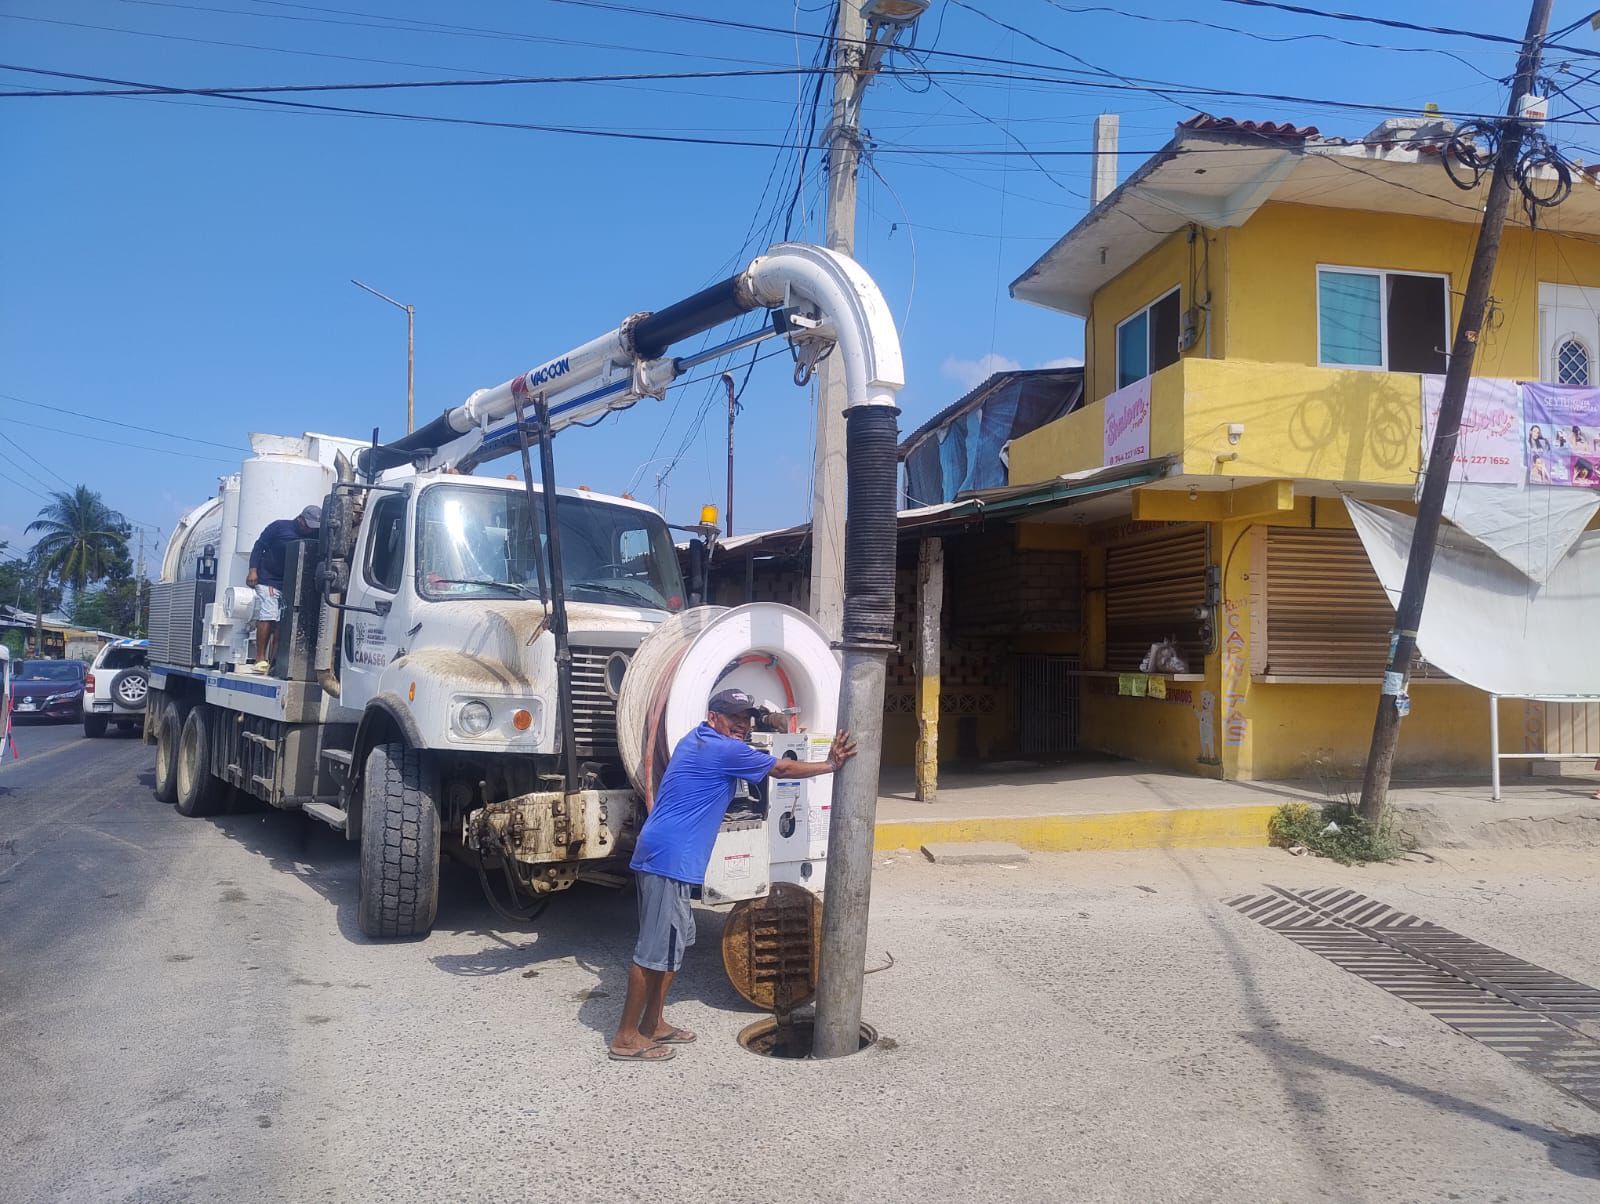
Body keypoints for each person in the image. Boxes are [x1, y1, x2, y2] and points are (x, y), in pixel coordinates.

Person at [609, 688, 856, 1062]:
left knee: (674, 946)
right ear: (713, 717)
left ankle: (654, 1023)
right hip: (667, 859)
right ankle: (626, 1038)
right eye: (733, 717)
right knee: (652, 952)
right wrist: (830, 765)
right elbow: (782, 768)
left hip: (667, 854)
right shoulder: (724, 749)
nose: (742, 725)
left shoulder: (696, 739)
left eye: (746, 719)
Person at [245, 505, 321, 673]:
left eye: (313, 527)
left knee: (282, 623)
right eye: (308, 525)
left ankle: (273, 662)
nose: (309, 530)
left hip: (290, 582)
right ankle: (259, 658)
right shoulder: (279, 527)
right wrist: (253, 570)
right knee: (270, 613)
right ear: (300, 519)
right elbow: (259, 546)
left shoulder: (315, 534)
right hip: (269, 579)